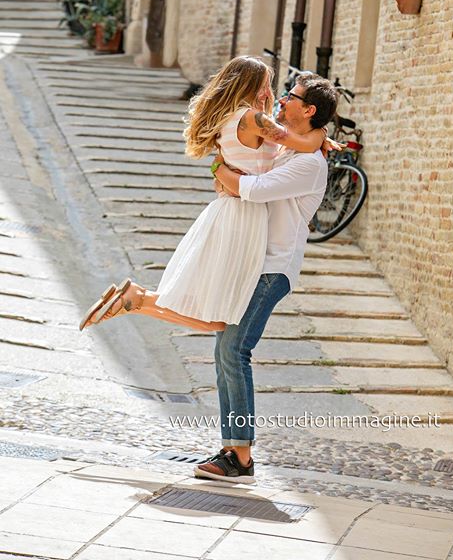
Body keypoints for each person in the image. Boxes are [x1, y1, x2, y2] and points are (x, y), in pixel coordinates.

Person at [80, 56, 337, 334]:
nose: (269, 93)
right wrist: (321, 134)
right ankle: (137, 299)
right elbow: (299, 142)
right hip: (244, 216)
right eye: (264, 85)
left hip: (229, 211)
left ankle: (137, 300)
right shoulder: (253, 118)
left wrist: (219, 168)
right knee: (218, 316)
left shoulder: (232, 118)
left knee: (213, 313)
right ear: (248, 85)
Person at [193, 73, 338, 484]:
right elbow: (259, 152)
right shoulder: (295, 148)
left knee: (234, 351)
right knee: (224, 350)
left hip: (272, 268)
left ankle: (241, 456)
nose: (283, 101)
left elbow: (252, 189)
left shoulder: (309, 164)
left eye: (290, 97)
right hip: (252, 261)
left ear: (308, 110)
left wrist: (221, 168)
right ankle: (231, 449)